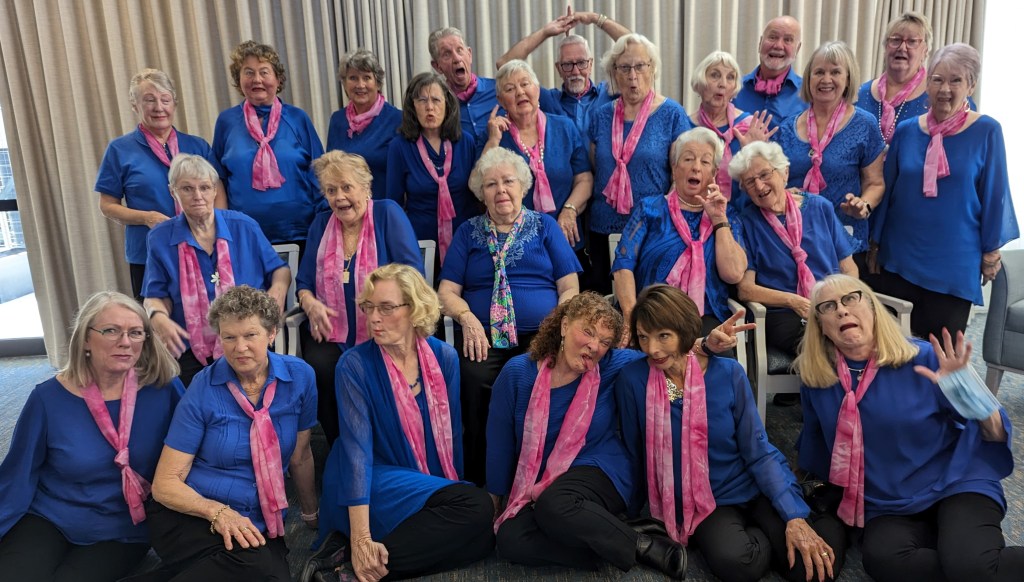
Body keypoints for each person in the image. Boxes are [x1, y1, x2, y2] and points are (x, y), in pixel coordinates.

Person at [796, 274, 1023, 581]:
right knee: (883, 561)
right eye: (828, 306)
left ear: (873, 309)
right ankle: (961, 558)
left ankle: (968, 562)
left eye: (851, 298)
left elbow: (996, 434)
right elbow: (815, 442)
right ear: (820, 326)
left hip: (955, 482)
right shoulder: (816, 379)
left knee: (972, 566)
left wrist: (974, 401)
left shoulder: (924, 358)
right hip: (888, 501)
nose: (842, 310)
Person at [616, 284, 844, 582]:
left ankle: (819, 517)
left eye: (663, 336)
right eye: (644, 337)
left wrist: (792, 515)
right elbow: (635, 450)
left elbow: (757, 449)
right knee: (737, 564)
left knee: (811, 570)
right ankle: (772, 534)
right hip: (707, 501)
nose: (652, 349)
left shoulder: (729, 373)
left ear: (684, 331)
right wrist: (632, 512)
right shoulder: (633, 379)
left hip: (753, 484)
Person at [487, 292, 686, 579]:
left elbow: (660, 353)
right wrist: (496, 500)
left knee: (554, 505)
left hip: (602, 468)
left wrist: (702, 344)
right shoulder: (518, 373)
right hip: (544, 479)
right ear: (564, 326)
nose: (594, 346)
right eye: (588, 332)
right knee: (510, 538)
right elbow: (500, 442)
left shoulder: (612, 364)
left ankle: (647, 547)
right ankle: (615, 534)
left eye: (605, 341)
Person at [318, 264, 494, 580]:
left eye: (386, 308)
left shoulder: (444, 357)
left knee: (482, 539)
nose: (373, 318)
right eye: (369, 307)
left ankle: (350, 569)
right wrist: (361, 538)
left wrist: (446, 494)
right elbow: (357, 454)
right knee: (475, 510)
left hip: (419, 480)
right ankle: (359, 557)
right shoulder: (353, 365)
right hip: (370, 481)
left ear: (415, 310)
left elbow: (451, 436)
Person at [0, 292, 181, 581]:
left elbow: (195, 454)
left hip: (122, 529)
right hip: (50, 516)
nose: (125, 342)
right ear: (86, 338)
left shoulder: (163, 390)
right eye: (111, 330)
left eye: (136, 332)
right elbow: (18, 472)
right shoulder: (48, 399)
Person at [148, 285, 318, 580]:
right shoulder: (203, 387)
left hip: (261, 516)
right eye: (229, 337)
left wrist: (311, 514)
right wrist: (217, 512)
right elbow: (164, 484)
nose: (240, 348)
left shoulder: (300, 376)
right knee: (261, 570)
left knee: (267, 573)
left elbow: (300, 455)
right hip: (193, 512)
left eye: (250, 335)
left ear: (271, 333)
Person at [438, 147, 581, 486]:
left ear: (523, 187)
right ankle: (481, 478)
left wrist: (556, 326)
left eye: (508, 182)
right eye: (491, 184)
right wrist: (467, 318)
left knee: (538, 380)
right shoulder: (467, 232)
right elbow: (445, 292)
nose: (501, 190)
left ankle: (536, 474)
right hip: (483, 336)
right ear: (481, 192)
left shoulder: (545, 226)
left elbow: (569, 286)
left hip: (540, 333)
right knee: (473, 381)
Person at [870, 43, 1019, 340]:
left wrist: (990, 252)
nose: (945, 89)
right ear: (927, 83)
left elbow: (995, 194)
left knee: (942, 353)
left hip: (954, 263)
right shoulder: (907, 131)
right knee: (894, 349)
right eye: (937, 79)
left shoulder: (987, 131)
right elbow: (887, 190)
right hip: (900, 257)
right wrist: (875, 244)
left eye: (956, 80)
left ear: (971, 86)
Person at [296, 151, 421, 445]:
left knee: (379, 367)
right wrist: (310, 303)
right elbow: (304, 283)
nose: (339, 197)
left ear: (366, 188)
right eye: (331, 190)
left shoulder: (387, 214)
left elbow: (412, 274)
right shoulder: (320, 225)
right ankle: (342, 445)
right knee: (320, 367)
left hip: (386, 326)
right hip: (331, 330)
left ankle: (386, 445)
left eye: (346, 187)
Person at [142, 154, 290, 386]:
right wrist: (157, 316)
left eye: (204, 187)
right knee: (192, 398)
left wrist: (278, 291)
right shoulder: (160, 238)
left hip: (246, 338)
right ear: (173, 192)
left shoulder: (244, 226)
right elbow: (154, 295)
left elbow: (280, 270)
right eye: (187, 189)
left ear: (215, 190)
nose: (197, 196)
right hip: (188, 343)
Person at [96, 69, 225, 299]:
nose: (158, 107)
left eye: (165, 100)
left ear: (174, 103)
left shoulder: (197, 146)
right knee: (156, 315)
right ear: (135, 105)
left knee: (210, 314)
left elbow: (219, 194)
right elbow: (107, 206)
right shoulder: (119, 150)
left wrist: (216, 233)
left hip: (201, 247)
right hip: (148, 253)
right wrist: (147, 218)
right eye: (149, 100)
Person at [612, 128, 747, 346]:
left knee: (717, 355)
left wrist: (719, 220)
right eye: (688, 159)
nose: (696, 167)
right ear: (675, 169)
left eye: (705, 162)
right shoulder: (650, 209)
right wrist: (631, 316)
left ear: (713, 173)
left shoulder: (727, 214)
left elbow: (733, 274)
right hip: (651, 314)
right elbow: (623, 265)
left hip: (704, 317)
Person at [729, 141, 857, 361]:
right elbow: (746, 290)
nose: (759, 185)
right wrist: (793, 301)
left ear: (784, 173)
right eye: (750, 181)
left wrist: (843, 301)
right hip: (784, 313)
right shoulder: (746, 222)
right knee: (830, 348)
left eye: (765, 174)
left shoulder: (820, 207)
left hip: (832, 303)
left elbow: (849, 269)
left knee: (869, 337)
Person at [589, 33, 691, 294]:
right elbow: (596, 167)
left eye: (640, 66)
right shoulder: (601, 116)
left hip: (652, 227)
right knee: (605, 302)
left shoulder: (672, 114)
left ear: (652, 68)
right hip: (603, 225)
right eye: (624, 67)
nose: (632, 75)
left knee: (649, 301)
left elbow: (680, 177)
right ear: (614, 72)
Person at [776, 41, 884, 266]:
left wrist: (863, 205)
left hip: (844, 241)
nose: (826, 79)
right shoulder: (786, 127)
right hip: (794, 240)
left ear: (848, 79)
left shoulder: (865, 124)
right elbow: (775, 182)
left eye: (835, 72)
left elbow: (875, 183)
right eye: (819, 72)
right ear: (809, 79)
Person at [213, 40, 324, 250]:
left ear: (278, 79)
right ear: (238, 79)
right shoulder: (226, 122)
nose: (257, 79)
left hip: (300, 232)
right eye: (248, 72)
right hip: (244, 235)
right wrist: (222, 229)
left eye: (264, 72)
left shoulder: (297, 118)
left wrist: (324, 224)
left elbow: (320, 172)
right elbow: (218, 178)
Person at [482, 59, 593, 263]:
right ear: (500, 100)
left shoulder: (564, 127)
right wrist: (493, 141)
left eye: (525, 84)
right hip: (514, 246)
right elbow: (479, 186)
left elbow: (584, 178)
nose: (520, 92)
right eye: (510, 89)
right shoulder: (495, 135)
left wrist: (570, 210)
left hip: (565, 237)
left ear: (537, 89)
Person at [385, 71, 479, 266]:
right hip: (419, 244)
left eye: (436, 100)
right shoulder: (399, 147)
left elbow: (477, 197)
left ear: (447, 104)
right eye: (422, 100)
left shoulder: (465, 142)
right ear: (412, 107)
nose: (430, 107)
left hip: (465, 240)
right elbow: (393, 204)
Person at [495, 10, 629, 135]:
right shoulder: (548, 100)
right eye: (567, 64)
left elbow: (637, 48)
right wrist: (545, 32)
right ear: (558, 68)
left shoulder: (609, 92)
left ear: (590, 64)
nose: (575, 71)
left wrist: (595, 18)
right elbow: (504, 65)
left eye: (581, 63)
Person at [689, 51, 775, 209]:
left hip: (744, 213)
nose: (722, 83)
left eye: (730, 77)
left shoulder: (750, 126)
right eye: (715, 75)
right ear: (700, 82)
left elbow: (769, 181)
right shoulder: (686, 126)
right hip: (697, 211)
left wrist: (752, 153)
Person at [326, 49, 403, 201]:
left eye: (366, 78)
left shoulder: (397, 119)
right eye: (353, 78)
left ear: (378, 83)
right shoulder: (337, 120)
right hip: (345, 208)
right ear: (344, 83)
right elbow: (330, 170)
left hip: (383, 208)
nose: (360, 85)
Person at [735, 16, 804, 131]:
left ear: (797, 49)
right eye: (772, 37)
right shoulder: (734, 89)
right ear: (760, 43)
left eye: (788, 40)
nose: (778, 46)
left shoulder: (809, 94)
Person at [429, 27, 497, 136]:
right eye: (447, 54)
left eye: (459, 50)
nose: (457, 59)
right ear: (437, 66)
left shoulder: (498, 90)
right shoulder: (437, 107)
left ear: (469, 54)